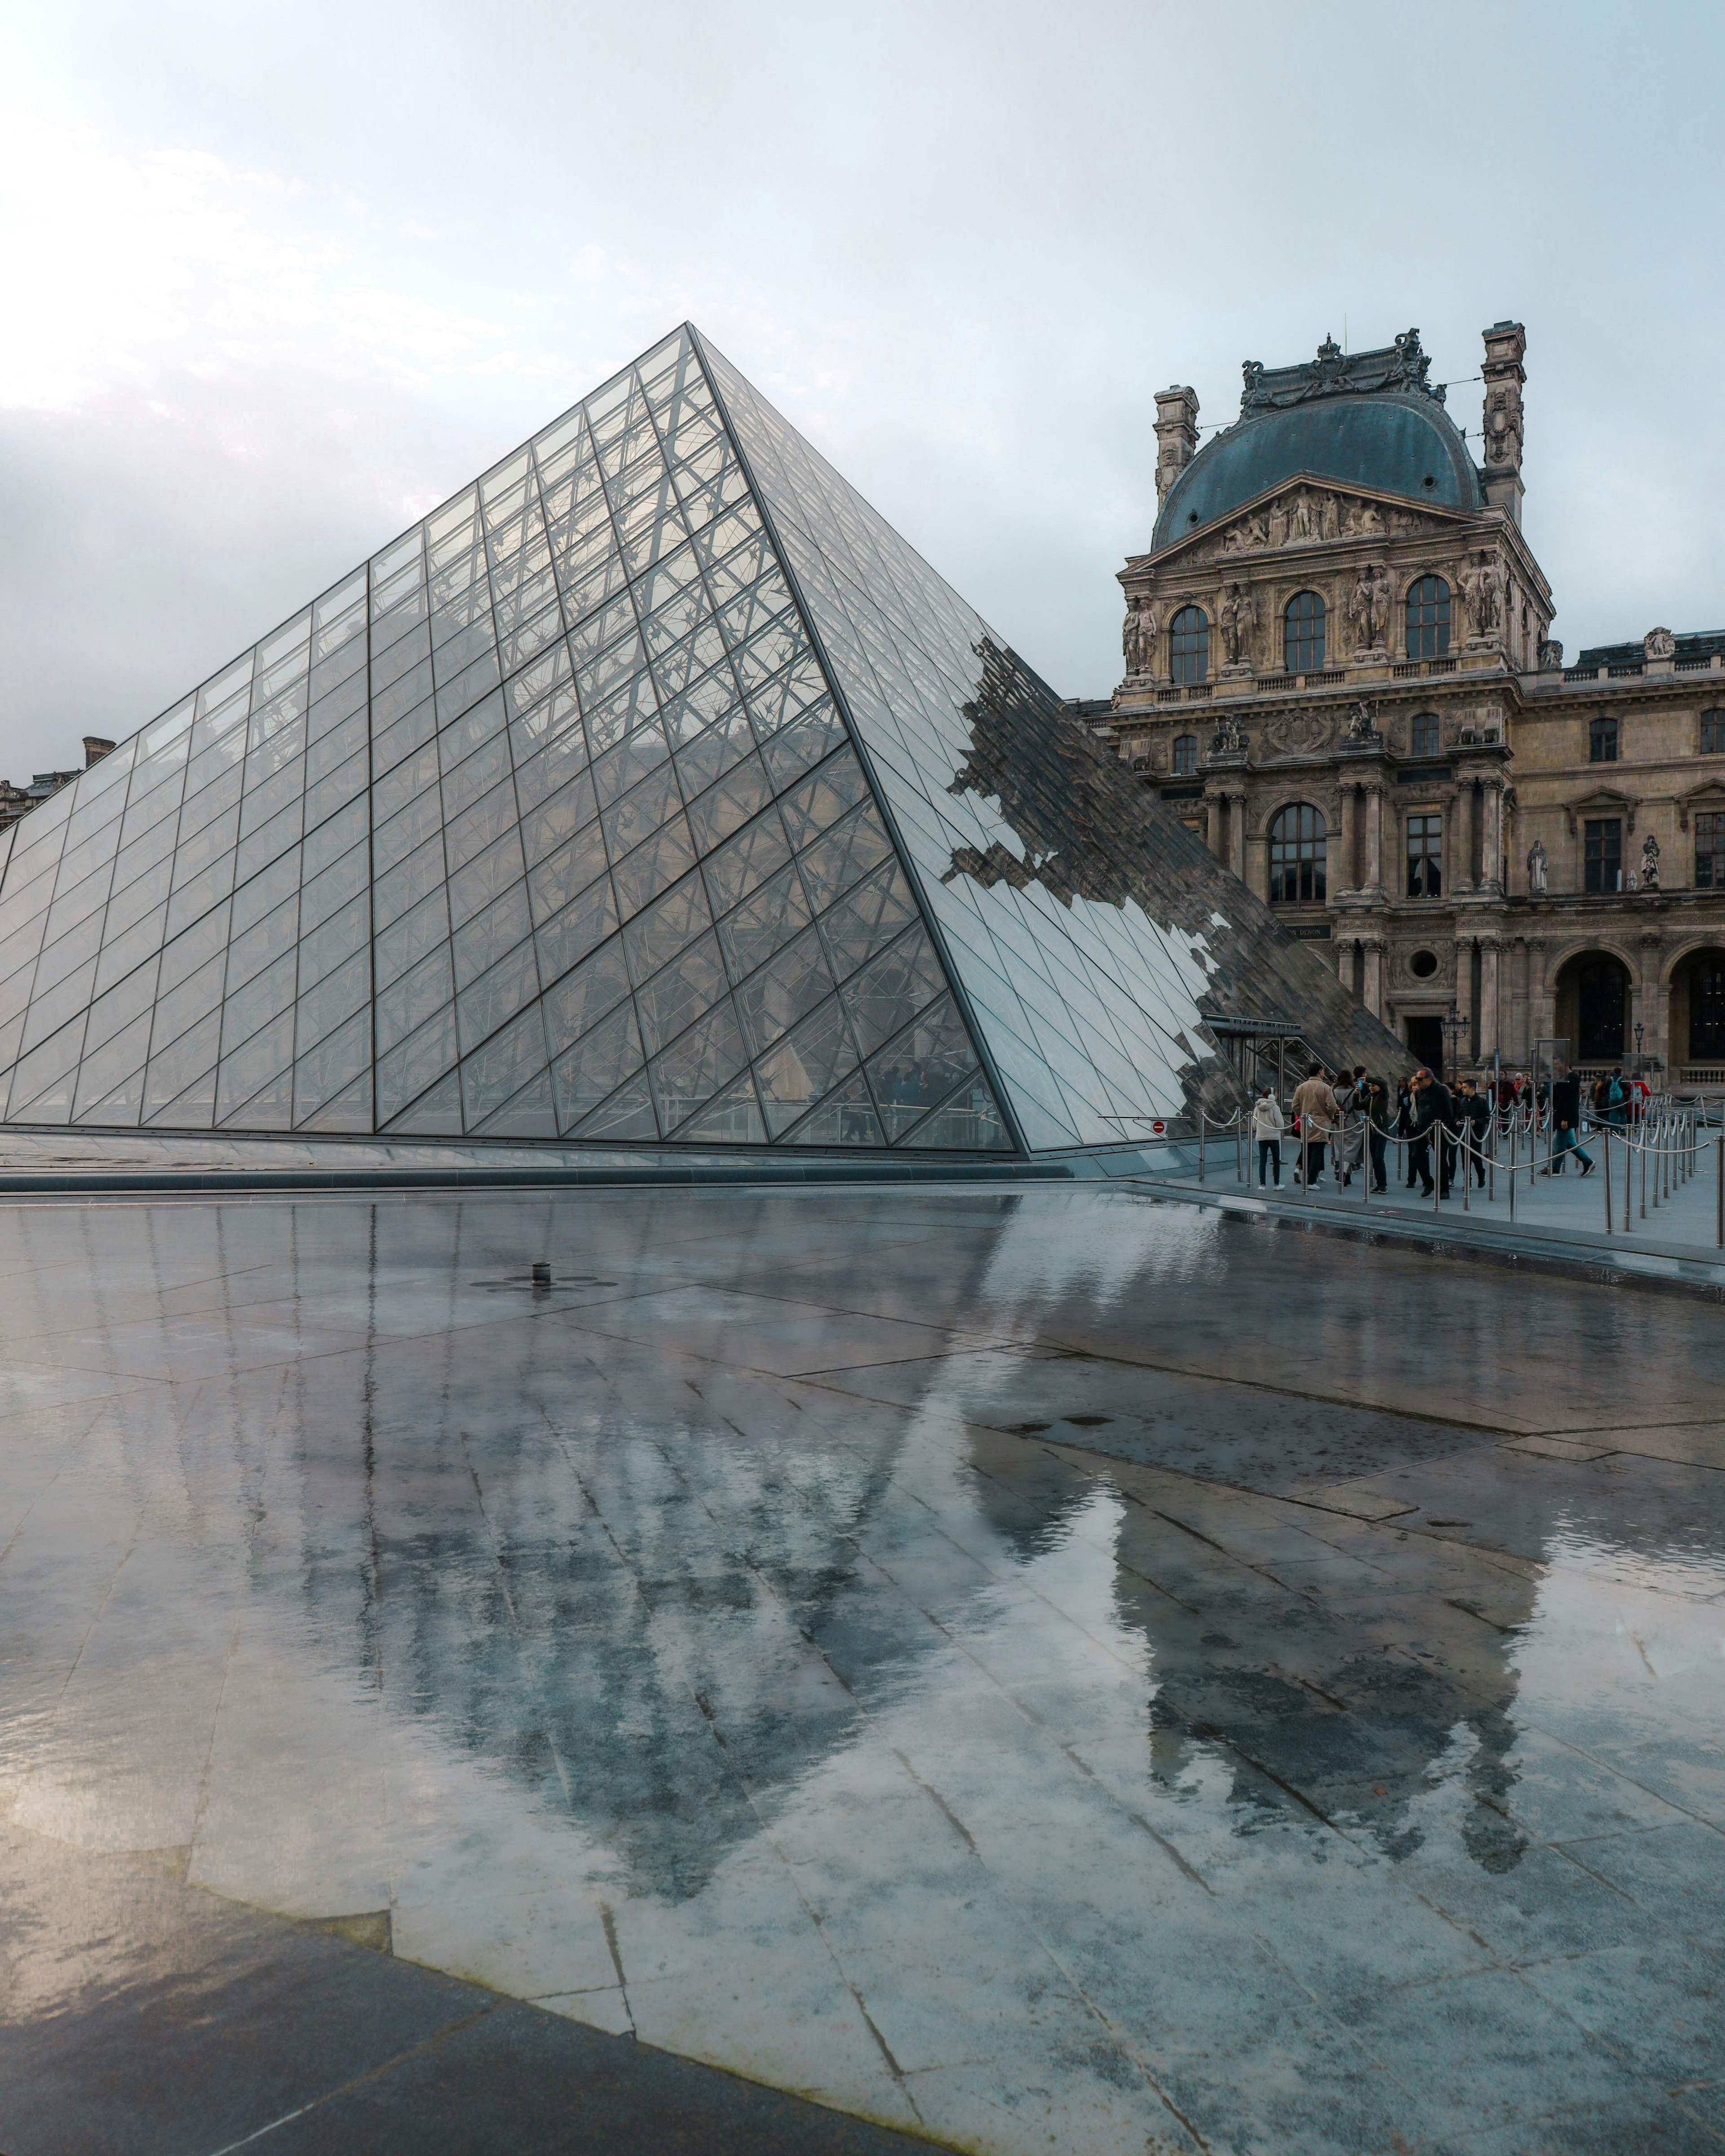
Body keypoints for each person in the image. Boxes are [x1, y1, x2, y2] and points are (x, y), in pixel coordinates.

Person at [1291, 1064, 1336, 1187]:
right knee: (1318, 1152)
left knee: (1307, 1150)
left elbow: (1295, 1105)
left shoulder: (1301, 1087)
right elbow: (1332, 1106)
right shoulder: (1326, 1088)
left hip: (1306, 1122)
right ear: (1320, 1072)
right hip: (1321, 1123)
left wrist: (1302, 1114)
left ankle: (1304, 1174)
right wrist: (1329, 1116)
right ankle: (1311, 1181)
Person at [1357, 1069, 1391, 1193]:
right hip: (1372, 1130)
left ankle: (1383, 1185)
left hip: (1381, 1130)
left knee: (1379, 1157)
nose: (1370, 1088)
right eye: (1370, 1086)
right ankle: (1380, 1183)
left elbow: (1383, 1084)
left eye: (1373, 1086)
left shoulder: (1383, 1096)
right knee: (1375, 1158)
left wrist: (1366, 1080)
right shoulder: (1370, 1098)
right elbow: (1358, 1106)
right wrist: (1356, 1093)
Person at [1456, 1078, 1490, 1186]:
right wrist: (1457, 1121)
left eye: (1465, 1088)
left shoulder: (1482, 1102)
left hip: (1476, 1134)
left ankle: (1481, 1174)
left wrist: (1476, 1122)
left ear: (1472, 1088)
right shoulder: (1462, 1102)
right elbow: (1458, 1115)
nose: (1463, 1090)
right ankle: (1467, 1182)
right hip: (1464, 1134)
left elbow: (1487, 1118)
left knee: (1476, 1157)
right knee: (1465, 1159)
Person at [1251, 1084, 1284, 1187]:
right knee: (1276, 1161)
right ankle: (1277, 1184)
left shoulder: (1257, 1107)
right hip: (1273, 1137)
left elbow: (1254, 1124)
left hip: (1262, 1136)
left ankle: (1262, 1184)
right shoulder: (1275, 1107)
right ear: (1272, 1096)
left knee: (1263, 1161)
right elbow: (1280, 1125)